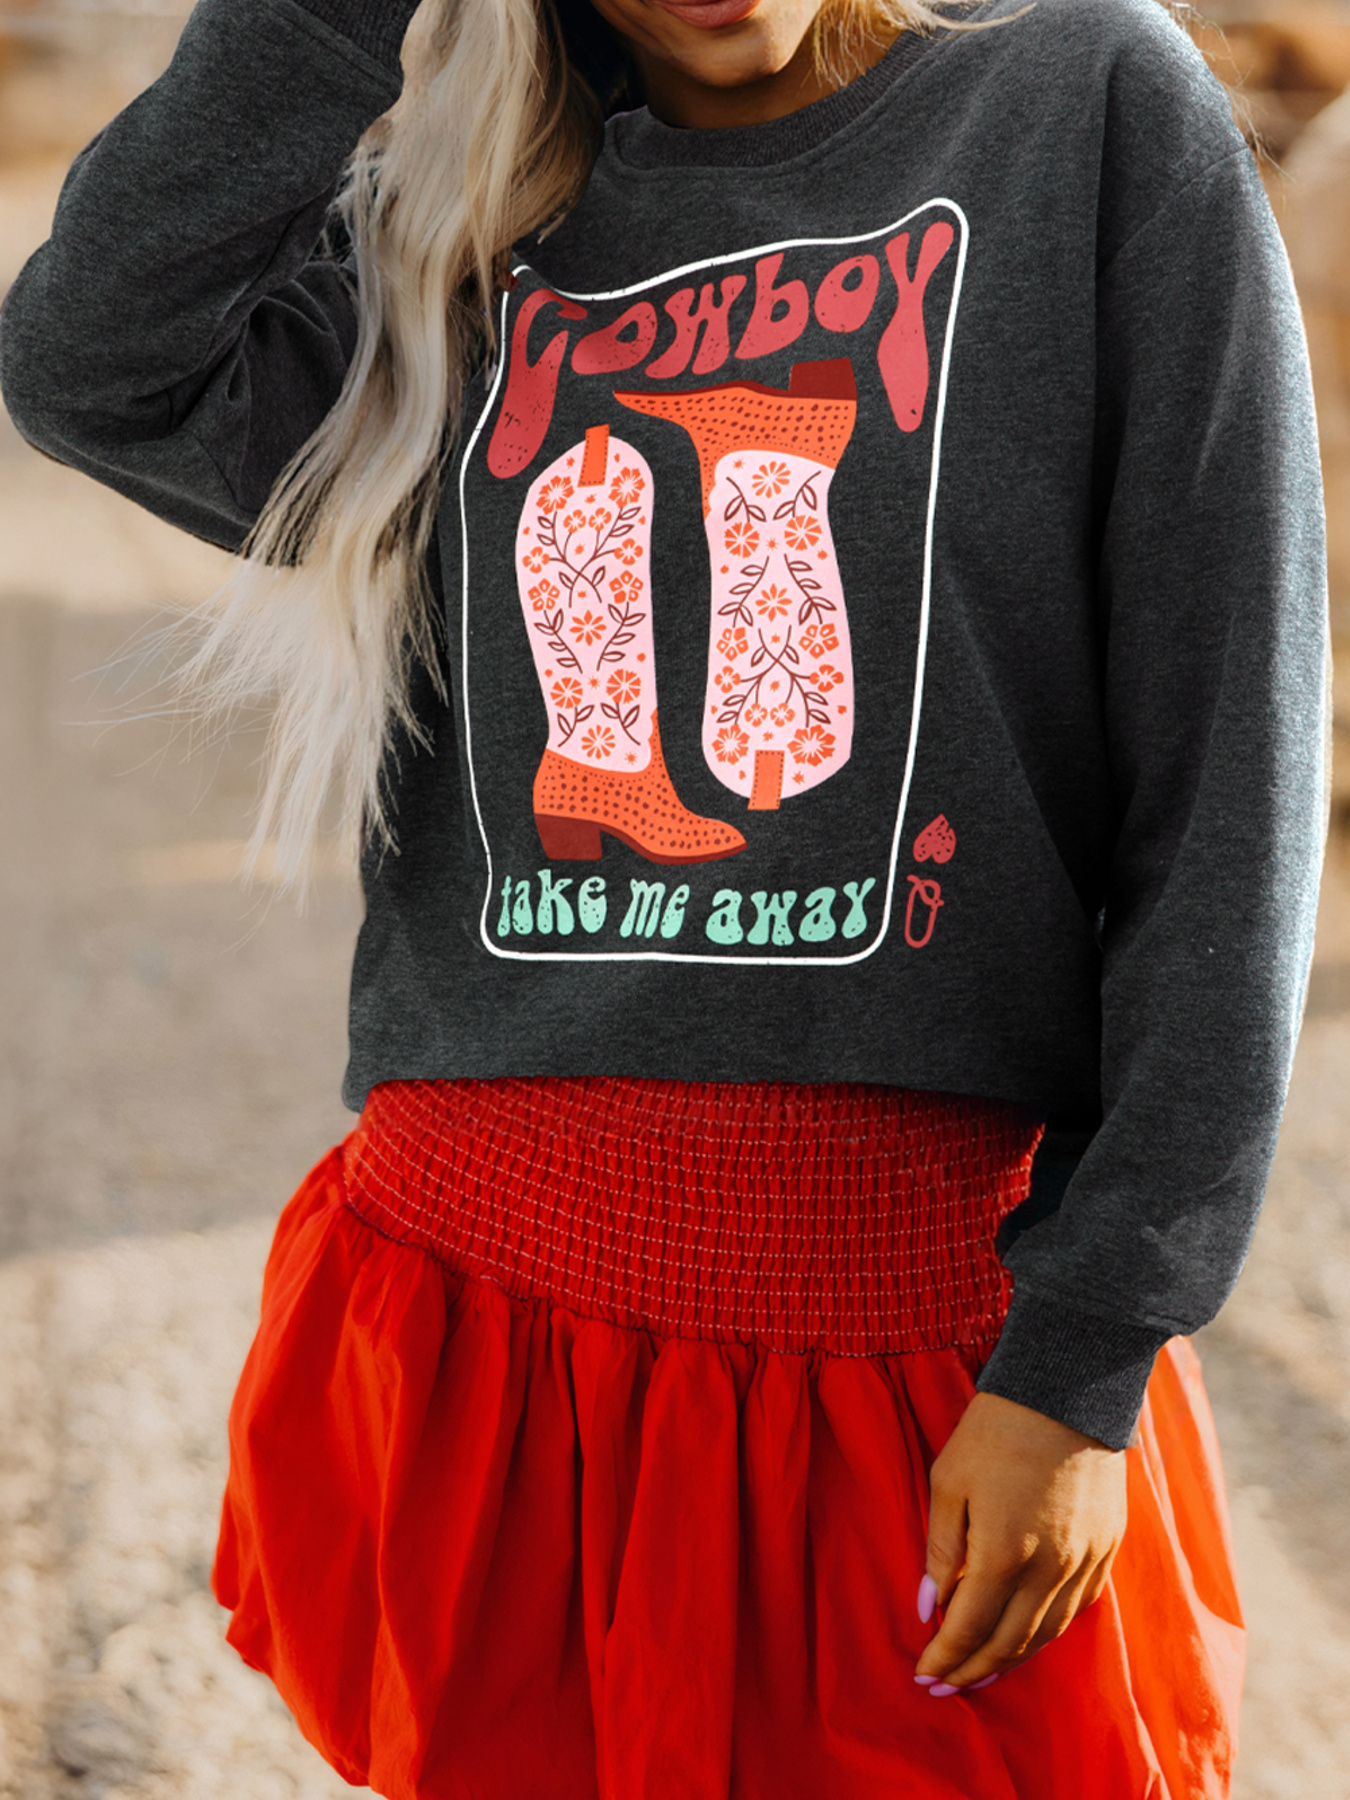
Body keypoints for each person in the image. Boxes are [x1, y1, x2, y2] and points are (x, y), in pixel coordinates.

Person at [0, 0, 1328, 1792]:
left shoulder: (1082, 98)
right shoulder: (467, 206)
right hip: (483, 1312)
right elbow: (92, 362)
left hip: (907, 1339)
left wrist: (1084, 1355)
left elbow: (1228, 767)